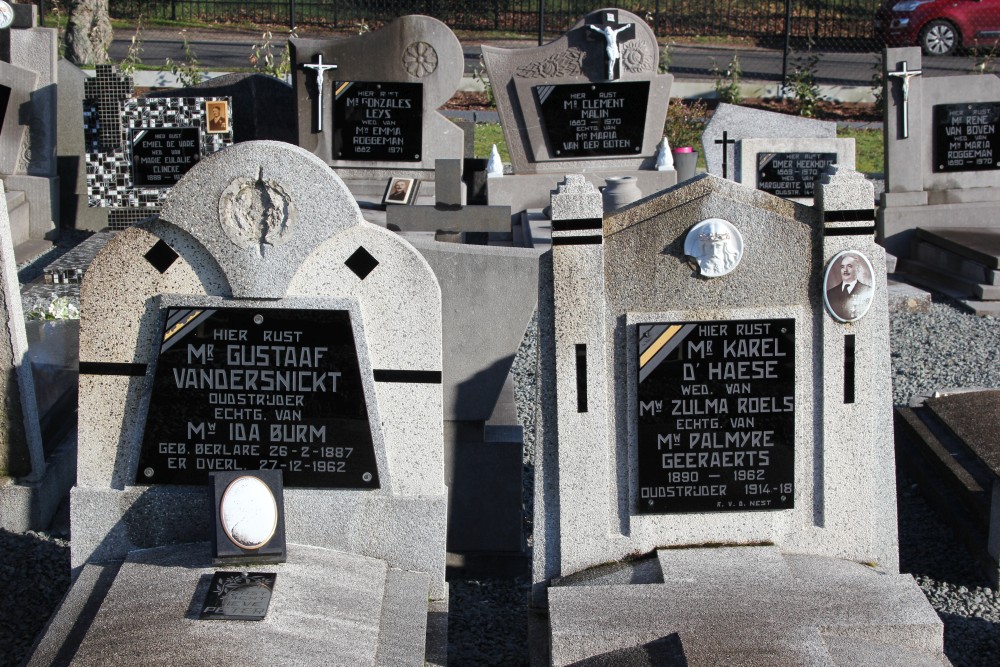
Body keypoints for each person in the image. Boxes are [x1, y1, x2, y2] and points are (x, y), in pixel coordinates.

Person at [826, 253, 873, 321]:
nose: (845, 270)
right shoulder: (830, 293)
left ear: (857, 269)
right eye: (842, 267)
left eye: (849, 266)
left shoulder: (866, 290)